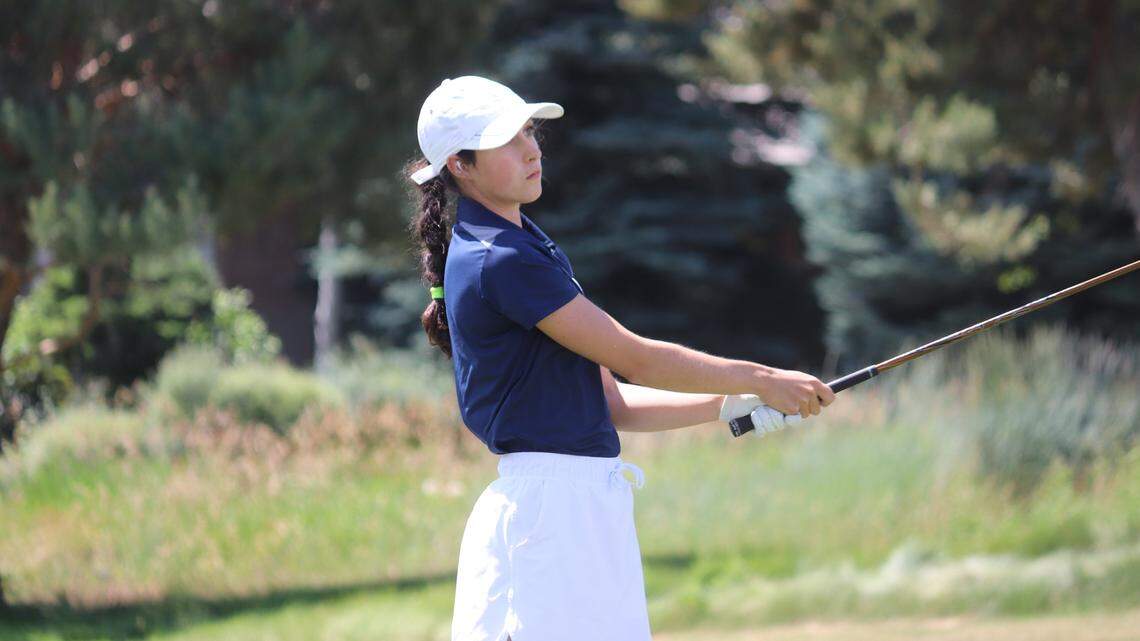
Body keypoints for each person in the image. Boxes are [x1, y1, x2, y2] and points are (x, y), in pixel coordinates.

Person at [404, 75, 835, 641]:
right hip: (549, 516)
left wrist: (736, 402)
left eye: (529, 132)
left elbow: (614, 401)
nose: (532, 149)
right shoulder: (499, 259)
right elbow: (637, 358)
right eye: (508, 141)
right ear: (460, 165)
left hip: (579, 508)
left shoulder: (524, 243)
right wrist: (765, 377)